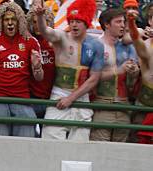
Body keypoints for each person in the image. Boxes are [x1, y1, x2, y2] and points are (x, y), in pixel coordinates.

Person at [35, 0, 104, 141]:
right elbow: (45, 32)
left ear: (86, 22)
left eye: (78, 21)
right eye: (71, 21)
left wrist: (71, 99)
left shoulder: (96, 45)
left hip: (82, 99)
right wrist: (40, 17)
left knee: (80, 144)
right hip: (59, 95)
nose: (73, 24)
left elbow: (94, 78)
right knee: (50, 139)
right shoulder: (62, 37)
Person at [0, 2, 43, 138]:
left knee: (26, 139)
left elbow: (39, 78)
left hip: (22, 98)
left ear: (20, 21)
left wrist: (37, 67)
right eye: (6, 19)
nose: (10, 23)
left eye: (13, 19)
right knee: (0, 140)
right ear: (1, 21)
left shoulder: (31, 41)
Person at [90, 8, 139, 142]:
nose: (123, 25)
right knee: (100, 151)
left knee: (120, 154)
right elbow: (90, 78)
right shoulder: (95, 45)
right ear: (107, 24)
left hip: (124, 106)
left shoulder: (128, 47)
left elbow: (131, 84)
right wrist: (120, 70)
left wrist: (133, 73)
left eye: (123, 22)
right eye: (118, 22)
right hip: (102, 104)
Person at [26, 5, 55, 126]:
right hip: (31, 97)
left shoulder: (56, 43)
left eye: (42, 21)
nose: (38, 25)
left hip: (52, 97)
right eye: (34, 22)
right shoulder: (27, 41)